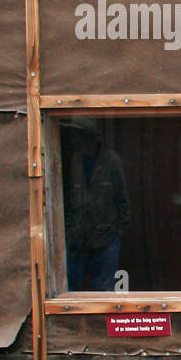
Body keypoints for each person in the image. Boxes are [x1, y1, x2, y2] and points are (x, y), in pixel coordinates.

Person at [63, 118, 131, 292]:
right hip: (77, 239)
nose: (74, 140)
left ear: (88, 137)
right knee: (70, 290)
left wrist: (117, 233)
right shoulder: (75, 161)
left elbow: (122, 199)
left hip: (106, 238)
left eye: (78, 135)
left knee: (104, 290)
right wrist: (70, 230)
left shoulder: (111, 161)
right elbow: (70, 199)